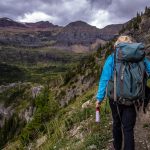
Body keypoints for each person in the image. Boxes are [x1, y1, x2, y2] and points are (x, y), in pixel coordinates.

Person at [95, 35, 150, 150]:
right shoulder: (140, 58)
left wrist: (99, 98)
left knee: (116, 123)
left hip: (115, 99)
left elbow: (104, 79)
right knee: (128, 129)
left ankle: (117, 147)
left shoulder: (112, 58)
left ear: (117, 45)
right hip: (133, 99)